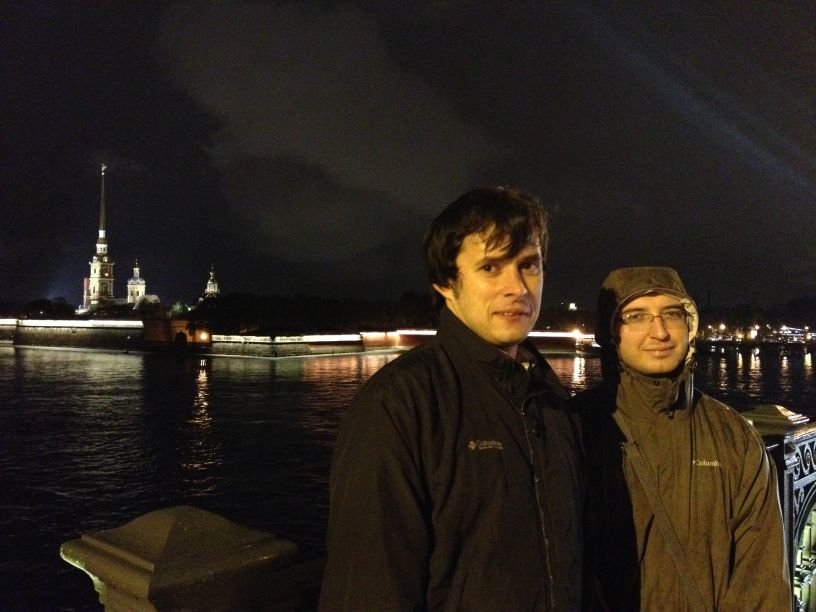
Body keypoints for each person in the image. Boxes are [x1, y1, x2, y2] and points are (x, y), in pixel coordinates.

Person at [319, 187, 586, 611]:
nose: (517, 287)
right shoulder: (397, 404)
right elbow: (369, 587)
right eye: (490, 267)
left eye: (528, 265)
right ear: (445, 283)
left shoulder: (551, 397)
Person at [574, 266, 791, 611]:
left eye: (672, 315)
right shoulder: (571, 430)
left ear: (690, 326)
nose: (659, 331)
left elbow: (762, 582)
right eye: (637, 316)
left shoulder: (735, 436)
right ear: (611, 333)